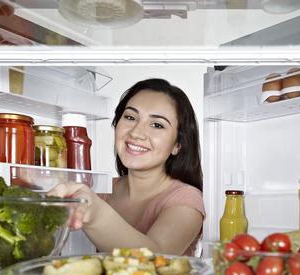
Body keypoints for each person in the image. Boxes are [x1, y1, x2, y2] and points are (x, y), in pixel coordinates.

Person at [49, 78, 204, 256]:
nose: (136, 132)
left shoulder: (187, 199)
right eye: (130, 117)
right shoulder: (101, 190)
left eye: (157, 125)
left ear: (178, 144)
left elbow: (157, 257)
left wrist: (96, 214)